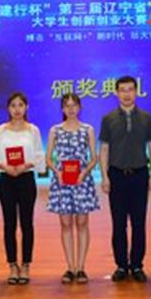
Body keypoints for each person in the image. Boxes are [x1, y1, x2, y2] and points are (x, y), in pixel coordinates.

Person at [99, 76, 151, 283]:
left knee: (138, 223)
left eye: (130, 89)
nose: (126, 94)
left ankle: (137, 265)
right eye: (122, 90)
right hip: (116, 175)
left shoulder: (146, 118)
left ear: (136, 92)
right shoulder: (108, 119)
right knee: (118, 224)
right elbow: (104, 148)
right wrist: (104, 176)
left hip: (139, 175)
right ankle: (121, 265)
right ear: (116, 93)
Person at [0, 92, 45, 285]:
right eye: (13, 105)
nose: (17, 109)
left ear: (26, 107)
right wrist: (6, 167)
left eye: (20, 105)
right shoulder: (0, 131)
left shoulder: (33, 130)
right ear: (8, 108)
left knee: (27, 223)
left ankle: (26, 264)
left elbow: (39, 155)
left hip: (26, 178)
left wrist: (24, 166)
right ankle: (12, 265)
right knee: (9, 224)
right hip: (6, 179)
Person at [45, 93, 100, 284]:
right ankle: (70, 267)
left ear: (79, 107)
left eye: (74, 105)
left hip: (82, 181)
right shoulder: (55, 130)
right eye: (67, 106)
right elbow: (48, 158)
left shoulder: (87, 129)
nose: (70, 109)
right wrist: (57, 172)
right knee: (66, 224)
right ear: (62, 109)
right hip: (62, 182)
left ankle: (81, 267)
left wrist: (83, 173)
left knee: (82, 223)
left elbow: (94, 157)